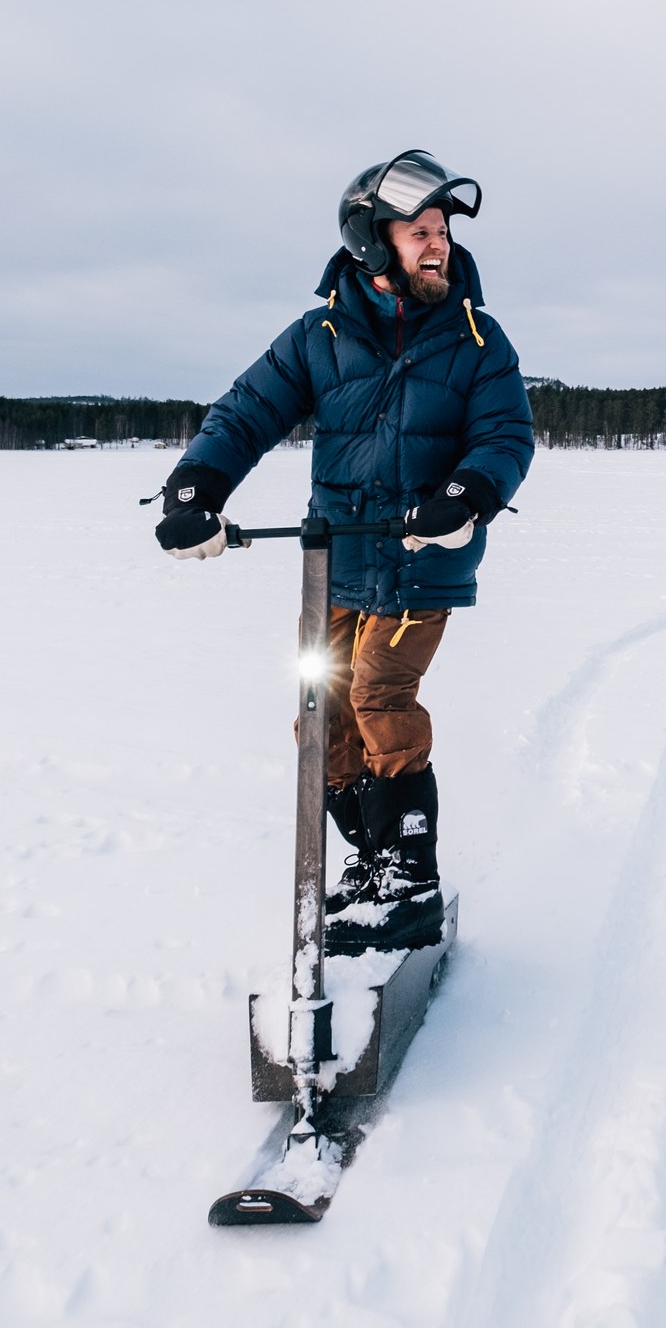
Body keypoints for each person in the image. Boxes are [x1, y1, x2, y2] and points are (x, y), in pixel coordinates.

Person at [151, 150, 535, 955]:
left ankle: (410, 876)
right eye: (420, 232)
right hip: (337, 562)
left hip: (421, 559)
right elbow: (249, 409)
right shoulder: (320, 335)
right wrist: (197, 485)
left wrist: (467, 495)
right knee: (320, 714)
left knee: (377, 694)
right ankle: (369, 861)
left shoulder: (477, 338)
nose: (440, 246)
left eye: (442, 232)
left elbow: (505, 434)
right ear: (371, 240)